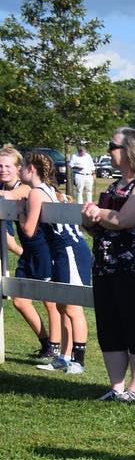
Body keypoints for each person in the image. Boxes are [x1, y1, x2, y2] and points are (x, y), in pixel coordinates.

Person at [80, 128, 135, 402]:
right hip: (106, 265)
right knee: (109, 324)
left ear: (132, 150)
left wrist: (100, 213)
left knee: (134, 323)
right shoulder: (114, 185)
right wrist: (89, 219)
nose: (109, 151)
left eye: (113, 146)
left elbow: (124, 221)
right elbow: (99, 226)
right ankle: (116, 387)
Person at [20, 153, 92, 374]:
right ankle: (64, 356)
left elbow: (29, 230)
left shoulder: (36, 193)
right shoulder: (50, 191)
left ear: (31, 168)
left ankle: (78, 361)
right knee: (62, 305)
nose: (20, 169)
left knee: (72, 307)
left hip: (69, 250)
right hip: (61, 251)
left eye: (22, 166)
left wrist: (21, 215)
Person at [1, 144, 55, 360]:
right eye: (0, 166)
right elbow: (9, 239)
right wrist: (22, 251)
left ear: (19, 168)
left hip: (45, 249)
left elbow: (15, 194)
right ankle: (46, 342)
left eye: (8, 166)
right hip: (29, 251)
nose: (3, 170)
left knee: (50, 300)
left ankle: (57, 347)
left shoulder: (24, 188)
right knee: (20, 301)